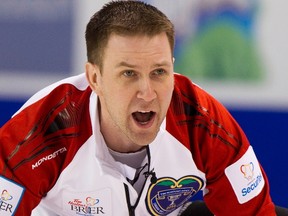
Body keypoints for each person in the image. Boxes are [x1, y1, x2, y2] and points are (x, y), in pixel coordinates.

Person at [0, 1, 277, 215]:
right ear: (95, 78)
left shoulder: (202, 122)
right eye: (129, 74)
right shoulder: (42, 133)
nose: (147, 94)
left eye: (159, 72)